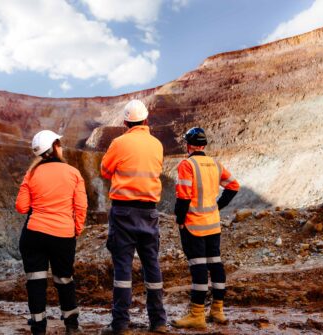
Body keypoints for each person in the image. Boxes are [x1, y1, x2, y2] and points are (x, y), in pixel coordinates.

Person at [99, 100, 167, 334]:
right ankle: (158, 322)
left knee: (123, 269)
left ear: (125, 122)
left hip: (123, 211)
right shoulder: (157, 144)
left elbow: (105, 171)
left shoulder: (119, 142)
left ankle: (120, 325)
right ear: (146, 120)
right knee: (152, 266)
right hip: (149, 210)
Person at [15, 130, 88, 335]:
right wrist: (77, 229)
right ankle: (72, 326)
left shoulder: (31, 174)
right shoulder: (72, 172)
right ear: (55, 146)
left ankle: (38, 328)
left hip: (34, 234)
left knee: (36, 281)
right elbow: (81, 206)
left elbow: (21, 207)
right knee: (64, 280)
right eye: (59, 143)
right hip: (63, 235)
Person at [170, 127, 240, 329]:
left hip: (194, 225)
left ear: (188, 145)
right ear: (203, 144)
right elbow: (233, 186)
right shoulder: (215, 164)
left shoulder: (187, 164)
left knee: (199, 267)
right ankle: (217, 311)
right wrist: (218, 206)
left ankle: (197, 315)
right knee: (216, 265)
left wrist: (180, 219)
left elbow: (183, 195)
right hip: (213, 224)